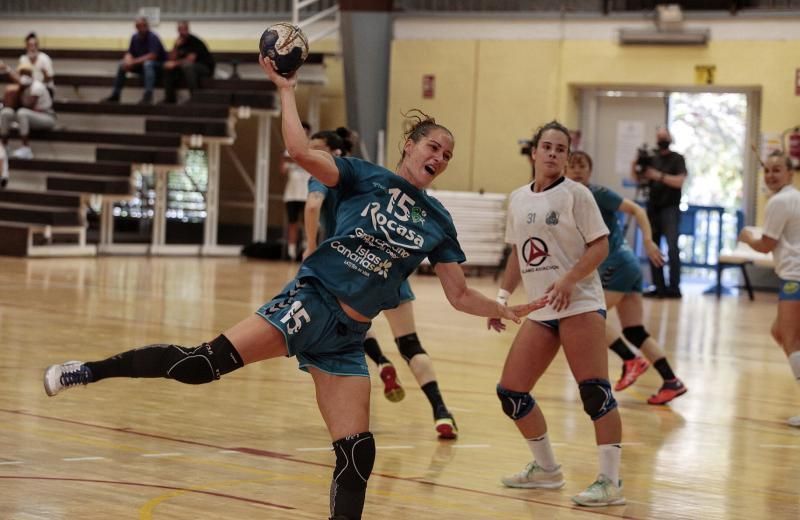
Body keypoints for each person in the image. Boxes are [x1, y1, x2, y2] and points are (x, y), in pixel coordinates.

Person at [43, 55, 546, 520]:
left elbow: (459, 294)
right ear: (410, 145)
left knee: (358, 451)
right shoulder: (362, 176)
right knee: (200, 366)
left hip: (347, 338)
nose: (440, 157)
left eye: (448, 155)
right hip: (310, 303)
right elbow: (300, 151)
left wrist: (503, 308)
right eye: (433, 146)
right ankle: (86, 370)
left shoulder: (438, 220)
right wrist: (286, 89)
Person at [490, 121, 625, 507]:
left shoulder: (576, 194)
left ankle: (611, 482)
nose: (552, 153)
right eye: (546, 146)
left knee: (595, 393)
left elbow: (600, 246)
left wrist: (569, 280)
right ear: (534, 152)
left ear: (566, 157)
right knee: (512, 393)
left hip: (579, 303)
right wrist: (501, 298)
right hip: (540, 307)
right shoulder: (518, 198)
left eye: (560, 149)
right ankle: (547, 470)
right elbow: (517, 253)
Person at [304, 128, 458, 439]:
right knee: (410, 343)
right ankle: (441, 410)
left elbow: (311, 206)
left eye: (317, 148)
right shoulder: (383, 183)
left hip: (349, 267)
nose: (314, 153)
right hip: (391, 270)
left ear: (332, 152)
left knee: (350, 323)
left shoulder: (327, 176)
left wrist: (310, 246)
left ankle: (380, 360)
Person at [566, 151, 688, 405]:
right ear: (565, 170)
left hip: (618, 262)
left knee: (588, 316)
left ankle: (631, 360)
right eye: (573, 166)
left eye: (582, 166)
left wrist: (648, 240)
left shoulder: (597, 193)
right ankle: (671, 381)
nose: (577, 170)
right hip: (626, 265)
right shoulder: (567, 199)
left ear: (590, 171)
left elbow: (637, 210)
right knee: (634, 331)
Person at [738, 152, 800, 428]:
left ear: (790, 174)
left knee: (790, 339)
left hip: (795, 277)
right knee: (779, 332)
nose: (771, 175)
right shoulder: (794, 197)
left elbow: (766, 245)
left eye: (777, 170)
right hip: (794, 275)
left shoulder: (779, 201)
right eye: (768, 170)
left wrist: (747, 237)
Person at [631, 126, 687, 299]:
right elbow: (637, 179)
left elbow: (679, 181)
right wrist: (635, 164)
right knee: (652, 246)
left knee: (672, 247)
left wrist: (658, 176)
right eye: (659, 136)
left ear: (670, 138)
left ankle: (674, 288)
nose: (662, 139)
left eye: (665, 136)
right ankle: (658, 286)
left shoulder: (677, 158)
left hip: (671, 208)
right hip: (653, 207)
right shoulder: (652, 158)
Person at [102, 16, 166, 105]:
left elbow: (152, 56)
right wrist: (127, 60)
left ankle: (148, 96)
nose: (141, 28)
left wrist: (133, 62)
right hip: (141, 66)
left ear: (147, 26)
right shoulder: (134, 37)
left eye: (143, 25)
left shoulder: (153, 37)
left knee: (148, 64)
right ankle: (115, 95)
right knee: (122, 64)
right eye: (138, 26)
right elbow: (130, 52)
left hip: (157, 67)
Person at [0, 63, 56, 160]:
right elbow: (11, 106)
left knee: (22, 112)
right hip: (28, 115)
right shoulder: (20, 86)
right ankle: (4, 146)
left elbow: (28, 106)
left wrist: (20, 90)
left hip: (46, 117)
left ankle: (26, 148)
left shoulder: (37, 87)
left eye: (26, 74)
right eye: (22, 74)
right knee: (6, 113)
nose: (24, 76)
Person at [161, 21, 215, 104]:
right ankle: (170, 98)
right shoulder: (179, 42)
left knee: (188, 66)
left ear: (188, 29)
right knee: (168, 68)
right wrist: (176, 47)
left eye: (184, 29)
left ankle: (195, 98)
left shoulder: (194, 41)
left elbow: (190, 60)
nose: (182, 32)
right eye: (180, 29)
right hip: (187, 68)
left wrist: (174, 64)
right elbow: (172, 59)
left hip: (204, 67)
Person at [281, 121, 312, 261]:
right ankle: (291, 251)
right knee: (292, 223)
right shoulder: (289, 150)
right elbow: (282, 170)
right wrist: (289, 160)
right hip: (292, 194)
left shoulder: (311, 149)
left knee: (307, 223)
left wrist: (297, 160)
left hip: (307, 194)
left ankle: (306, 248)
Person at [0, 32, 55, 99]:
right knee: (10, 90)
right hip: (28, 88)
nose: (33, 48)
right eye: (30, 45)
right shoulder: (23, 59)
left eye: (35, 45)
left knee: (35, 90)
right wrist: (6, 68)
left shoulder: (44, 58)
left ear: (38, 46)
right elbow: (18, 79)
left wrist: (45, 75)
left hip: (44, 89)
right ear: (26, 46)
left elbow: (49, 77)